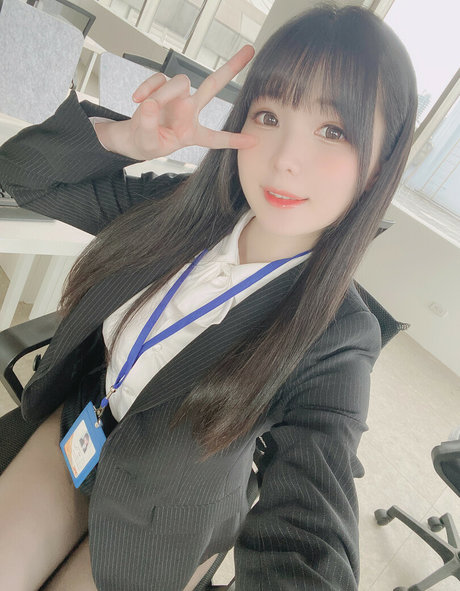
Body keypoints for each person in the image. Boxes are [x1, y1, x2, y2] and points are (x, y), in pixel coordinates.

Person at [0, 3, 417, 590]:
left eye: (333, 131)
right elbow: (23, 175)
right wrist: (124, 138)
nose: (284, 159)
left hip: (166, 517)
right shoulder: (185, 209)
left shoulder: (340, 335)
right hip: (82, 430)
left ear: (378, 165)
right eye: (269, 116)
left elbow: (311, 522)